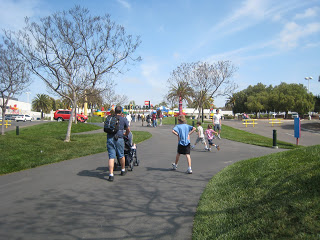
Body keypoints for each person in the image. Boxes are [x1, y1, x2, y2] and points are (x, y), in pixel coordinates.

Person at [107, 106, 130, 182]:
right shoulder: (123, 119)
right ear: (121, 112)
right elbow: (128, 130)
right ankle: (123, 170)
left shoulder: (110, 118)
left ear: (115, 111)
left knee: (111, 157)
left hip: (110, 138)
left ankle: (111, 175)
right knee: (121, 155)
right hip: (119, 138)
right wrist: (125, 134)